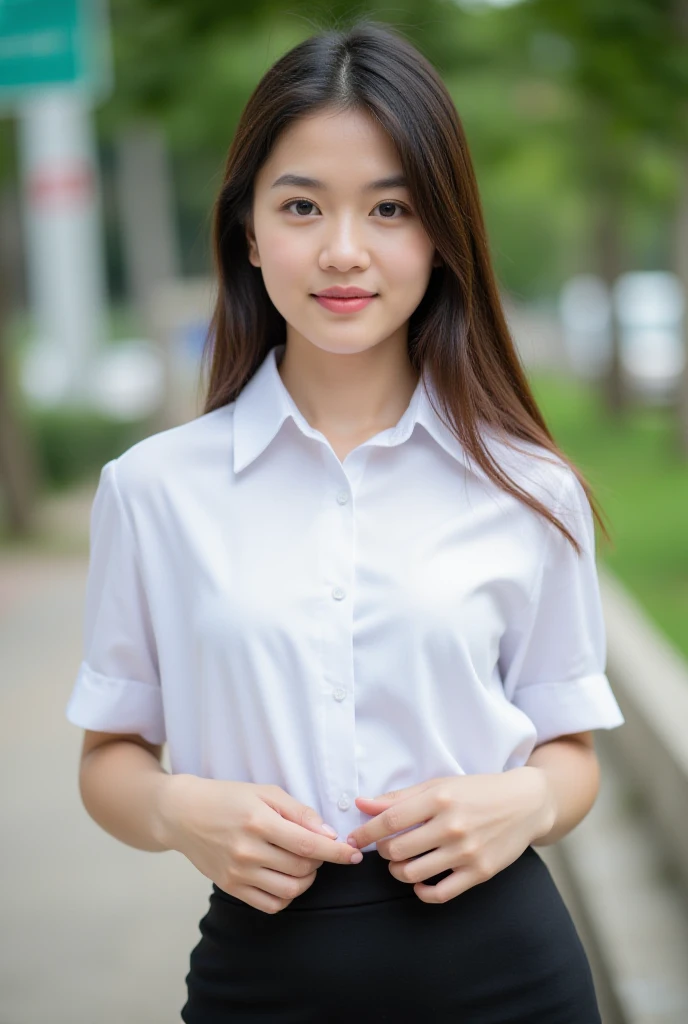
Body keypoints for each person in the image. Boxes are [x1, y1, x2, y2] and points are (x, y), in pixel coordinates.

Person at [65, 18, 626, 1023]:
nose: (342, 250)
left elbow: (568, 749)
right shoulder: (152, 491)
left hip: (508, 977)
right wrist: (167, 807)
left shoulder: (530, 489)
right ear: (248, 229)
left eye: (390, 207)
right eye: (301, 205)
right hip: (261, 982)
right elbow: (109, 754)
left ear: (441, 230)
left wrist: (528, 800)